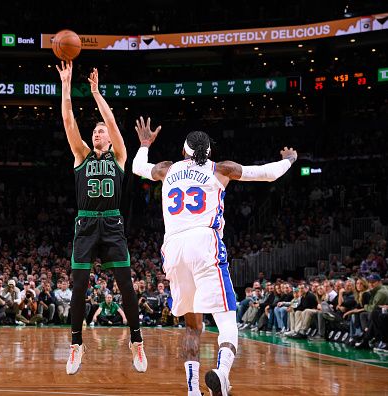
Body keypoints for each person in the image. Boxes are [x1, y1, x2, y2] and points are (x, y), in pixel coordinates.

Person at [131, 118, 297, 396]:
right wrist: (290, 160)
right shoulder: (221, 168)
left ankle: (192, 390)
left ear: (184, 152)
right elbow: (267, 174)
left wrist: (145, 145)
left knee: (192, 327)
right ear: (209, 152)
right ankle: (221, 372)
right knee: (227, 321)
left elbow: (137, 167)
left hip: (173, 248)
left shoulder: (166, 169)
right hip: (204, 242)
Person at [57, 61, 146, 375]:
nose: (97, 133)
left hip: (111, 223)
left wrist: (96, 92)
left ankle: (136, 342)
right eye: (94, 130)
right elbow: (68, 119)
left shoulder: (119, 155)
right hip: (85, 224)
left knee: (126, 285)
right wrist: (67, 85)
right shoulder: (80, 156)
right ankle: (76, 345)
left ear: (109, 138)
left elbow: (111, 121)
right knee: (78, 285)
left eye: (101, 131)